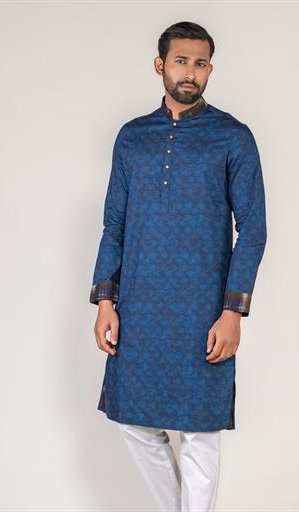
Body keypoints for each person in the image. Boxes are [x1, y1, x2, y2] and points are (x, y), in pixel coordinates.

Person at [89, 21, 268, 512]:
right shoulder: (132, 138)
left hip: (202, 308)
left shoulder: (232, 137)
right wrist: (105, 300)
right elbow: (114, 224)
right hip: (140, 306)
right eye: (181, 61)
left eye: (201, 63)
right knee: (132, 421)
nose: (191, 72)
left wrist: (232, 312)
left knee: (200, 433)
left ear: (210, 69)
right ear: (160, 65)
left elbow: (253, 230)